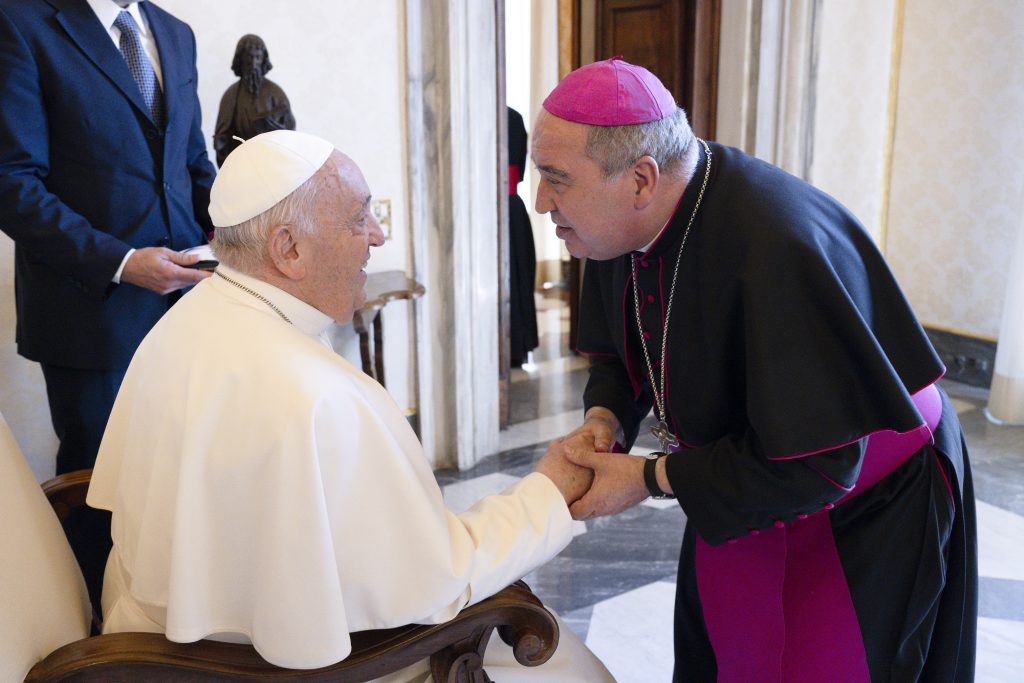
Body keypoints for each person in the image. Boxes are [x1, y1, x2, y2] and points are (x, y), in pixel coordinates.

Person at [86, 130, 614, 681]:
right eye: (360, 218)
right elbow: (437, 581)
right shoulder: (315, 397)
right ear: (288, 249)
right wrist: (550, 491)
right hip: (251, 665)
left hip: (158, 632)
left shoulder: (189, 317)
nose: (379, 236)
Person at [532, 57, 977, 682]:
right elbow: (623, 351)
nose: (538, 200)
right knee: (729, 649)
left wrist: (649, 478)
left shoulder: (776, 246)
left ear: (640, 178)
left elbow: (823, 461)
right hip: (752, 470)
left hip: (866, 491)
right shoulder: (617, 224)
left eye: (556, 179)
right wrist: (605, 419)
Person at [0, 0, 215, 610]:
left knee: (183, 469)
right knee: (102, 487)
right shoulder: (22, 22)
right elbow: (12, 182)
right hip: (88, 311)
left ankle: (182, 613)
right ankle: (105, 635)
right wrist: (120, 262)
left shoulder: (176, 33)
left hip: (190, 304)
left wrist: (235, 237)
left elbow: (192, 163)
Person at [213, 33, 295, 168]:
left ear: (263, 59)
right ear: (241, 59)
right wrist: (221, 141)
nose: (253, 63)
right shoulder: (231, 95)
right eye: (249, 57)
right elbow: (223, 135)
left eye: (258, 57)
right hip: (241, 165)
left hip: (272, 165)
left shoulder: (276, 93)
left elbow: (290, 132)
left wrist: (269, 125)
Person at [507, 106, 539, 367]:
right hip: (513, 207)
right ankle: (519, 346)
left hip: (501, 207)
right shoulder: (514, 117)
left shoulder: (509, 118)